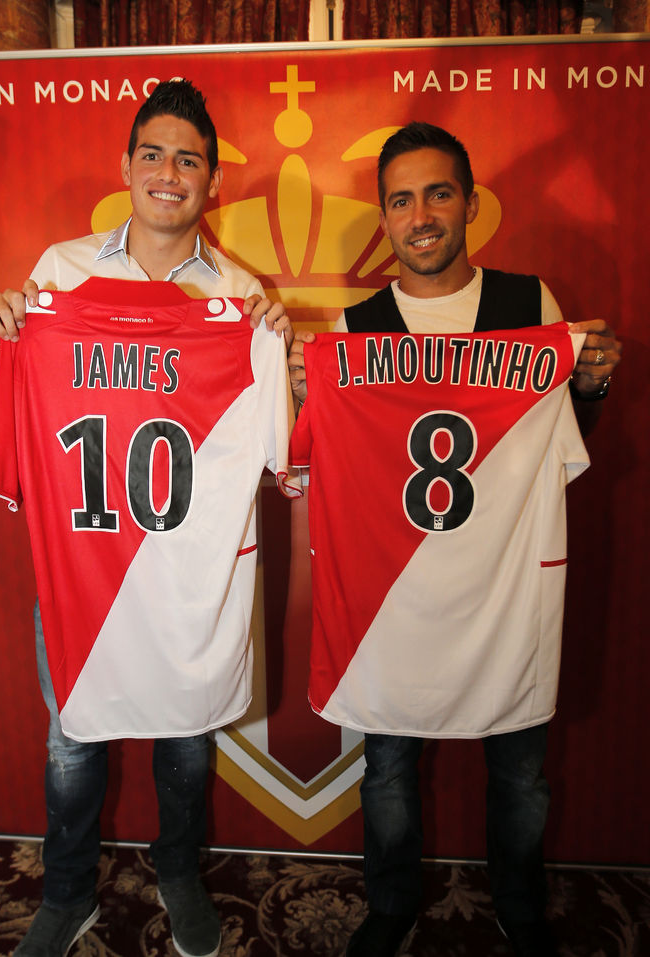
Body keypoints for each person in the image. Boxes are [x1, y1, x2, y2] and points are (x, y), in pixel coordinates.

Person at [0, 79, 294, 957]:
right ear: (126, 166)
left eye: (188, 159)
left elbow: (281, 445)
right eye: (153, 154)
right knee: (72, 740)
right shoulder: (61, 270)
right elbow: (9, 399)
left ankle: (178, 871)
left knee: (186, 737)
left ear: (213, 180)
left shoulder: (241, 294)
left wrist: (277, 349)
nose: (168, 172)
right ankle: (66, 891)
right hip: (82, 562)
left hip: (188, 572)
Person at [288, 122, 622, 957]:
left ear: (470, 204)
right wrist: (303, 394)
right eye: (401, 200)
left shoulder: (530, 307)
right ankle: (391, 901)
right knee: (388, 767)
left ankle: (520, 905)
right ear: (384, 218)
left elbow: (558, 448)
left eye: (438, 194)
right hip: (393, 596)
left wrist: (587, 385)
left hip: (503, 584)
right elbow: (329, 465)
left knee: (520, 771)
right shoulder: (354, 327)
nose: (421, 216)